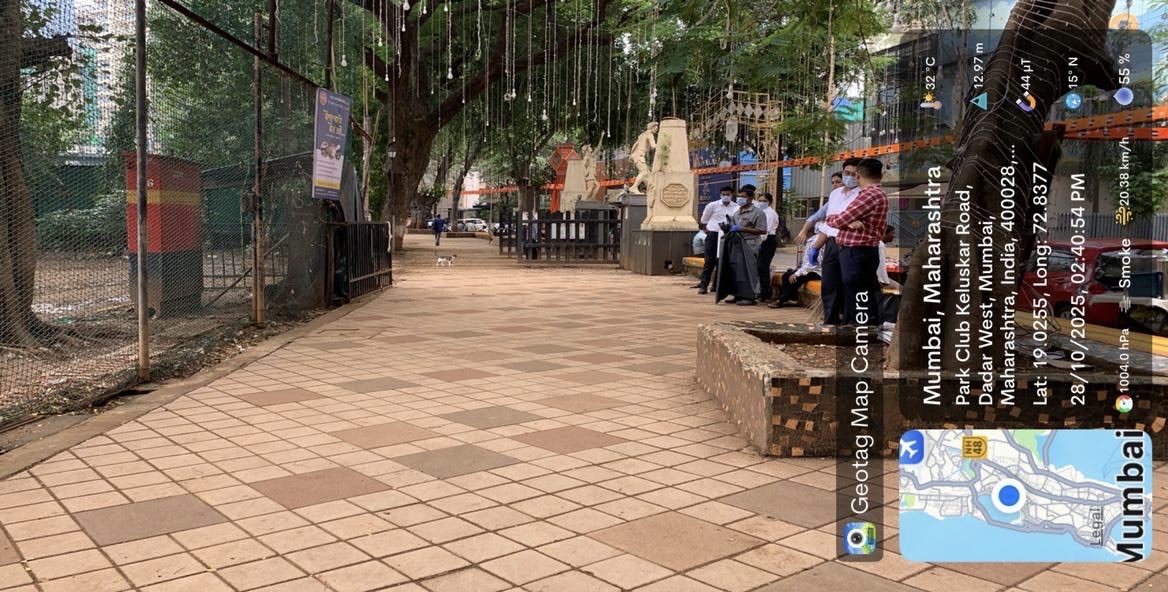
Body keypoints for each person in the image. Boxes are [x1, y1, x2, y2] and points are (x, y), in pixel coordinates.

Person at [795, 160, 862, 325]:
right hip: (831, 243)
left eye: (854, 174)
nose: (850, 177)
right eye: (847, 173)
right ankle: (830, 321)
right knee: (829, 283)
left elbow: (849, 222)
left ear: (860, 175)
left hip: (850, 243)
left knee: (849, 284)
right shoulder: (835, 194)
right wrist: (816, 247)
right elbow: (829, 223)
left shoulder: (863, 194)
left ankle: (850, 323)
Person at [825, 158, 890, 326]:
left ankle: (862, 325)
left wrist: (841, 220)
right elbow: (840, 218)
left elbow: (836, 220)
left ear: (859, 175)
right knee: (861, 287)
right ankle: (865, 324)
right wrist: (845, 221)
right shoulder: (876, 194)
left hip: (856, 250)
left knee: (856, 288)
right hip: (860, 250)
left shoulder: (869, 195)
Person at [716, 184, 767, 306]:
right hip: (737, 246)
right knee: (737, 271)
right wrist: (726, 228)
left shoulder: (758, 213)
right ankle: (737, 294)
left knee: (749, 271)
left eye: (742, 197)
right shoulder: (737, 212)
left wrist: (742, 228)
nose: (739, 199)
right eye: (738, 197)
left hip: (750, 245)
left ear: (749, 199)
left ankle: (749, 296)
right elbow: (732, 227)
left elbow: (762, 230)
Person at [691, 186, 738, 295]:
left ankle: (716, 286)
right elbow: (704, 219)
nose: (726, 196)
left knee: (722, 261)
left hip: (727, 235)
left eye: (728, 194)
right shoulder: (712, 205)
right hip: (713, 234)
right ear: (720, 194)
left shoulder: (736, 207)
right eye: (723, 194)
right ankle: (703, 286)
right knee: (709, 261)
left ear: (732, 194)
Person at [770, 235, 822, 308]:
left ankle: (782, 300)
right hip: (808, 268)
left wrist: (798, 273)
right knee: (786, 275)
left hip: (817, 270)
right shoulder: (810, 240)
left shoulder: (819, 241)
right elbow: (806, 261)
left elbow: (814, 263)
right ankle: (791, 298)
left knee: (796, 278)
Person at [756, 192, 780, 302]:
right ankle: (762, 291)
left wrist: (760, 242)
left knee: (763, 266)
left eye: (764, 201)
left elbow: (766, 230)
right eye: (760, 200)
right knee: (759, 266)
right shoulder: (760, 212)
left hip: (767, 240)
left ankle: (765, 292)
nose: (761, 203)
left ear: (769, 202)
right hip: (761, 240)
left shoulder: (770, 213)